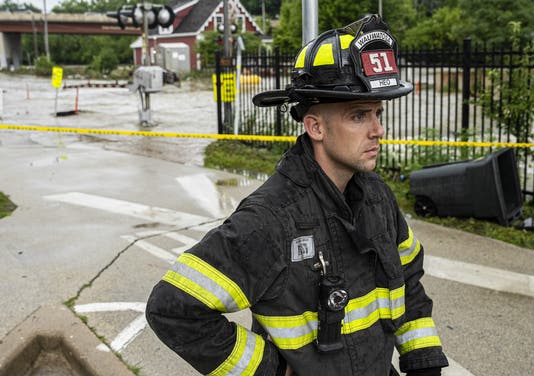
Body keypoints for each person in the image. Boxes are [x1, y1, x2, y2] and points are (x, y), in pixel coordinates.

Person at [146, 14, 448, 376]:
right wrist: (270, 370)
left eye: (378, 113)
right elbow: (173, 308)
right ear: (315, 126)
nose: (378, 130)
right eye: (359, 115)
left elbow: (409, 279)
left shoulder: (377, 198)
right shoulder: (270, 218)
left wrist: (423, 365)